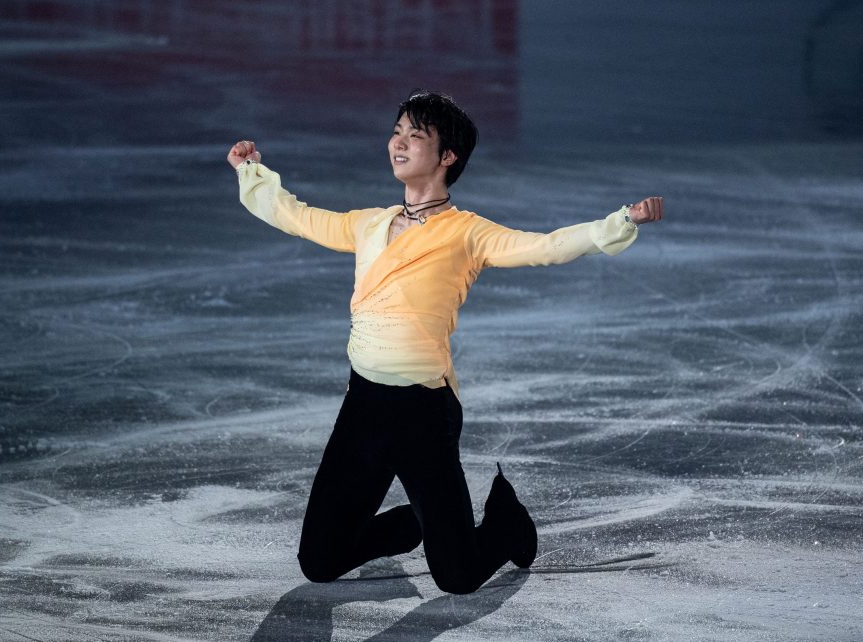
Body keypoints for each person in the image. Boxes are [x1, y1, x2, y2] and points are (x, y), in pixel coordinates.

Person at [227, 91, 663, 595]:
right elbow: (295, 215)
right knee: (319, 561)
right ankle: (412, 525)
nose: (399, 143)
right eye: (397, 132)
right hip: (363, 407)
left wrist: (623, 221)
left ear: (447, 156)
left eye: (416, 135)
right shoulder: (369, 223)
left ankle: (507, 523)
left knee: (458, 578)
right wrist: (252, 171)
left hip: (423, 415)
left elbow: (545, 247)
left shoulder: (467, 234)